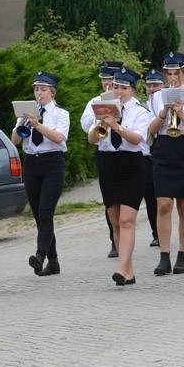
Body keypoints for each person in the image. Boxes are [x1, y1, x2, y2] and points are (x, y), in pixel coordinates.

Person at [87, 68, 154, 286]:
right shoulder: (103, 107)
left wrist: (116, 126)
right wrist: (101, 123)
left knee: (127, 220)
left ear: (132, 90)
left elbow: (137, 139)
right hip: (108, 163)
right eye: (116, 87)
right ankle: (128, 271)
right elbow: (92, 140)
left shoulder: (140, 111)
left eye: (123, 88)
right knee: (115, 221)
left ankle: (121, 268)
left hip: (131, 164)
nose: (118, 91)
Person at [148, 52, 184, 275]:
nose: (172, 77)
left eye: (176, 73)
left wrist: (180, 114)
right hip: (163, 147)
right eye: (168, 74)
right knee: (163, 204)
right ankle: (164, 256)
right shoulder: (156, 97)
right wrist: (164, 112)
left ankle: (183, 254)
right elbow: (151, 131)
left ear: (183, 73)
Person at [11, 71, 69, 277]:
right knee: (38, 214)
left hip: (52, 163)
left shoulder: (60, 113)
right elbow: (15, 141)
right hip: (31, 164)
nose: (39, 93)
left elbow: (59, 138)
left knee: (46, 211)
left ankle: (40, 255)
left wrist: (38, 125)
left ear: (52, 92)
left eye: (43, 90)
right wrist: (22, 124)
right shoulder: (26, 113)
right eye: (36, 90)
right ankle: (53, 262)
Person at [80, 61, 123, 259]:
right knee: (110, 199)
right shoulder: (94, 102)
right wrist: (99, 119)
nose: (107, 83)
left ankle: (126, 236)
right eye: (104, 79)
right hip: (105, 153)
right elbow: (85, 125)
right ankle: (114, 240)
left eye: (110, 80)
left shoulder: (126, 100)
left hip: (124, 153)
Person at [143, 69, 164, 247]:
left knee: (162, 197)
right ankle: (156, 233)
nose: (152, 89)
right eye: (149, 85)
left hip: (161, 149)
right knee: (150, 196)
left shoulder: (164, 103)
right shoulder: (142, 106)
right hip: (146, 153)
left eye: (156, 85)